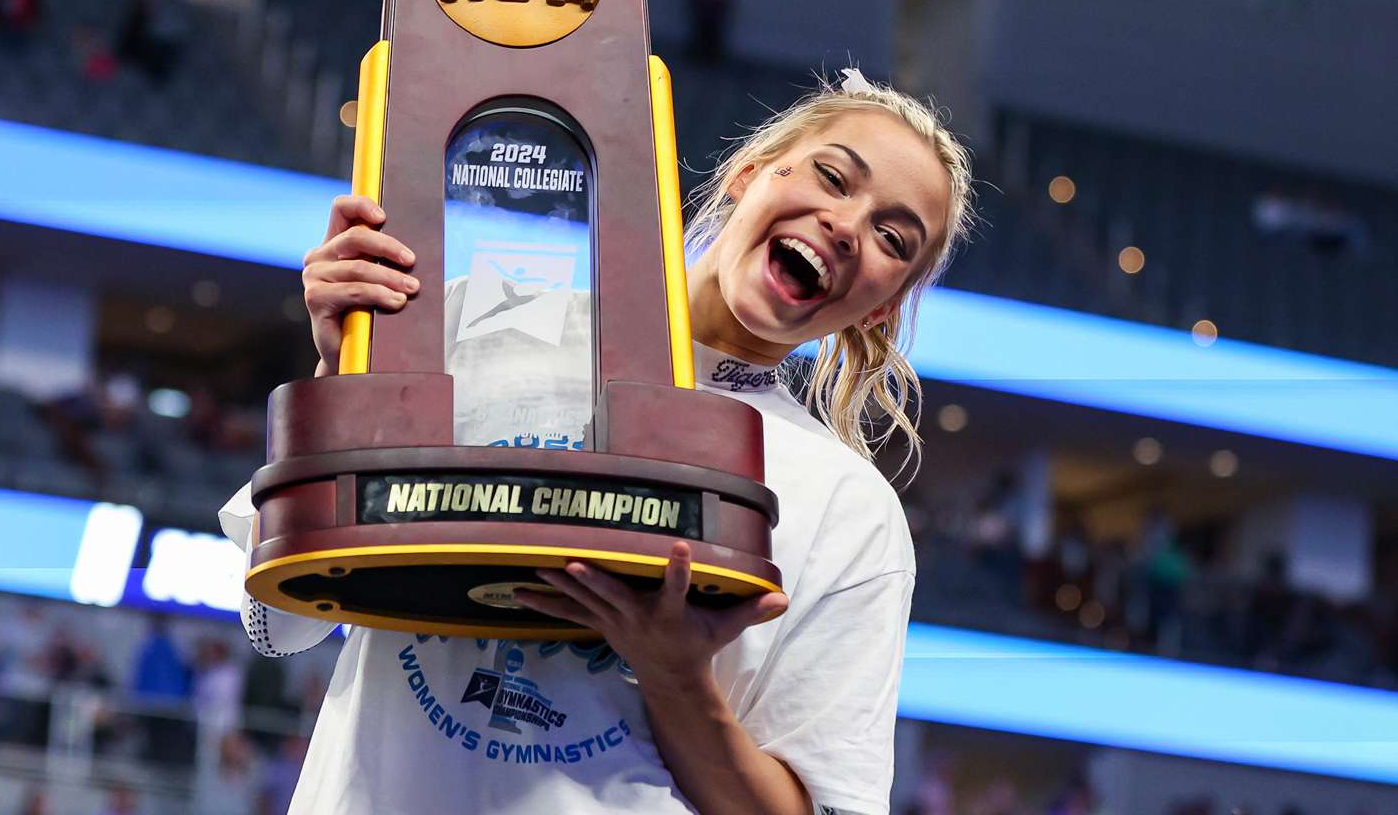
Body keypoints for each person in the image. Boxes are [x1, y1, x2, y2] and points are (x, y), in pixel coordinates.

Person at [219, 68, 977, 813]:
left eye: (891, 237)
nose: (846, 228)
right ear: (750, 174)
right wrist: (347, 369)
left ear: (884, 309)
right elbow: (278, 619)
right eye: (834, 178)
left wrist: (678, 678)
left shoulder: (853, 514)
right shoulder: (477, 322)